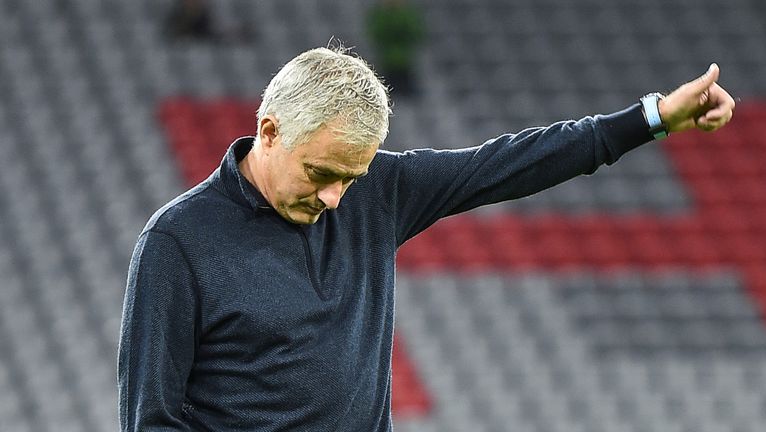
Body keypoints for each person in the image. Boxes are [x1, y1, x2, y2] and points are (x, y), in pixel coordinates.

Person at [118, 46, 734, 431]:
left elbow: (509, 163)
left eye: (351, 178)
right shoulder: (178, 244)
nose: (336, 198)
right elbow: (152, 421)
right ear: (270, 131)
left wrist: (651, 118)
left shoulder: (375, 193)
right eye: (322, 173)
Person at [366, 0, 425, 96]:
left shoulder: (408, 15)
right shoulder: (381, 15)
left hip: (405, 63)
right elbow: (377, 34)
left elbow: (417, 33)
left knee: (407, 94)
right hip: (386, 63)